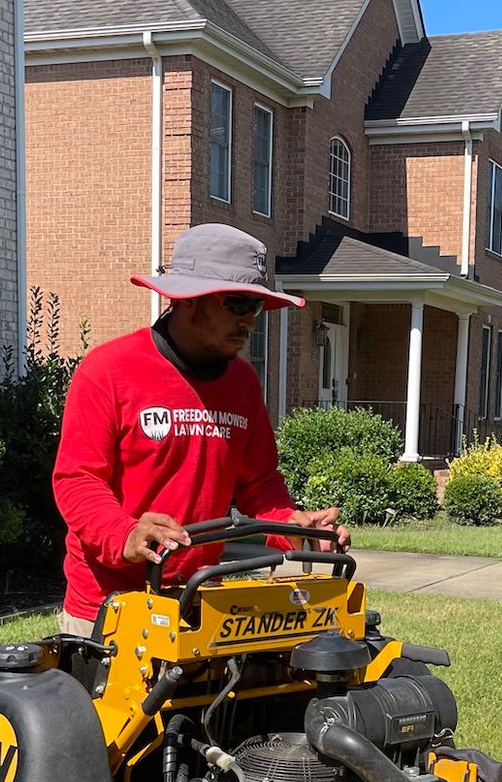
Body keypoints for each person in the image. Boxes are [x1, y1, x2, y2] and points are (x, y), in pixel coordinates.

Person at [51, 223, 349, 636]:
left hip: (200, 600)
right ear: (188, 300)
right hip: (108, 609)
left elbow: (259, 484)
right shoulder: (108, 371)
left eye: (257, 307)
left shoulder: (243, 382)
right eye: (237, 304)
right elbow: (77, 481)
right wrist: (126, 533)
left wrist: (294, 528)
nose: (250, 321)